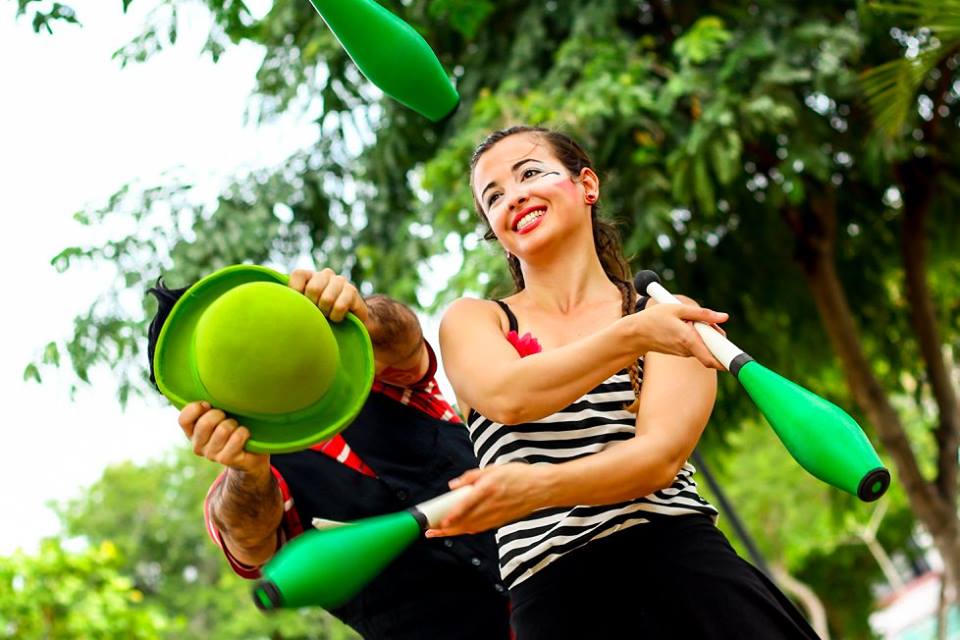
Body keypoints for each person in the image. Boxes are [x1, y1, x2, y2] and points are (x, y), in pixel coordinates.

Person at [432, 126, 820, 639]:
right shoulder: (475, 320)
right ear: (494, 229)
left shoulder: (667, 314)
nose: (515, 197)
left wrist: (537, 487)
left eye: (530, 173)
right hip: (556, 605)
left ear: (587, 185)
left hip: (691, 578)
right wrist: (635, 335)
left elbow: (658, 459)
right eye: (494, 197)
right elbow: (510, 396)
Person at [146, 268, 511, 640]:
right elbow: (250, 545)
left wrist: (360, 316)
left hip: (546, 586)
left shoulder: (372, 371)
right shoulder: (245, 488)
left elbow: (405, 342)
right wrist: (247, 470)